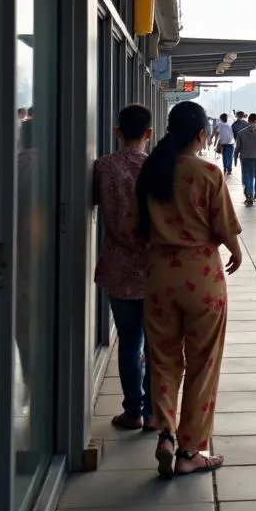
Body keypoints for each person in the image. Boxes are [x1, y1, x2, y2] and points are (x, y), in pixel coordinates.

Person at [135, 101, 242, 478]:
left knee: (162, 359)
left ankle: (164, 431)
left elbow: (138, 227)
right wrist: (237, 251)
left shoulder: (151, 171)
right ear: (201, 135)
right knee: (203, 363)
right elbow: (225, 227)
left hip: (160, 276)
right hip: (202, 279)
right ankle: (190, 450)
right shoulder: (208, 172)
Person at [93, 104, 154, 431]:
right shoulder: (155, 168)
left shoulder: (102, 167)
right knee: (156, 343)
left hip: (118, 268)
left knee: (129, 342)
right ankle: (154, 412)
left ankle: (133, 411)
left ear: (118, 133)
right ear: (149, 134)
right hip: (154, 269)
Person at [234, 114, 256, 206]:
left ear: (248, 120)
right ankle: (255, 193)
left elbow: (237, 148)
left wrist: (235, 159)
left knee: (247, 177)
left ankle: (249, 195)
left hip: (245, 159)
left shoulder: (241, 133)